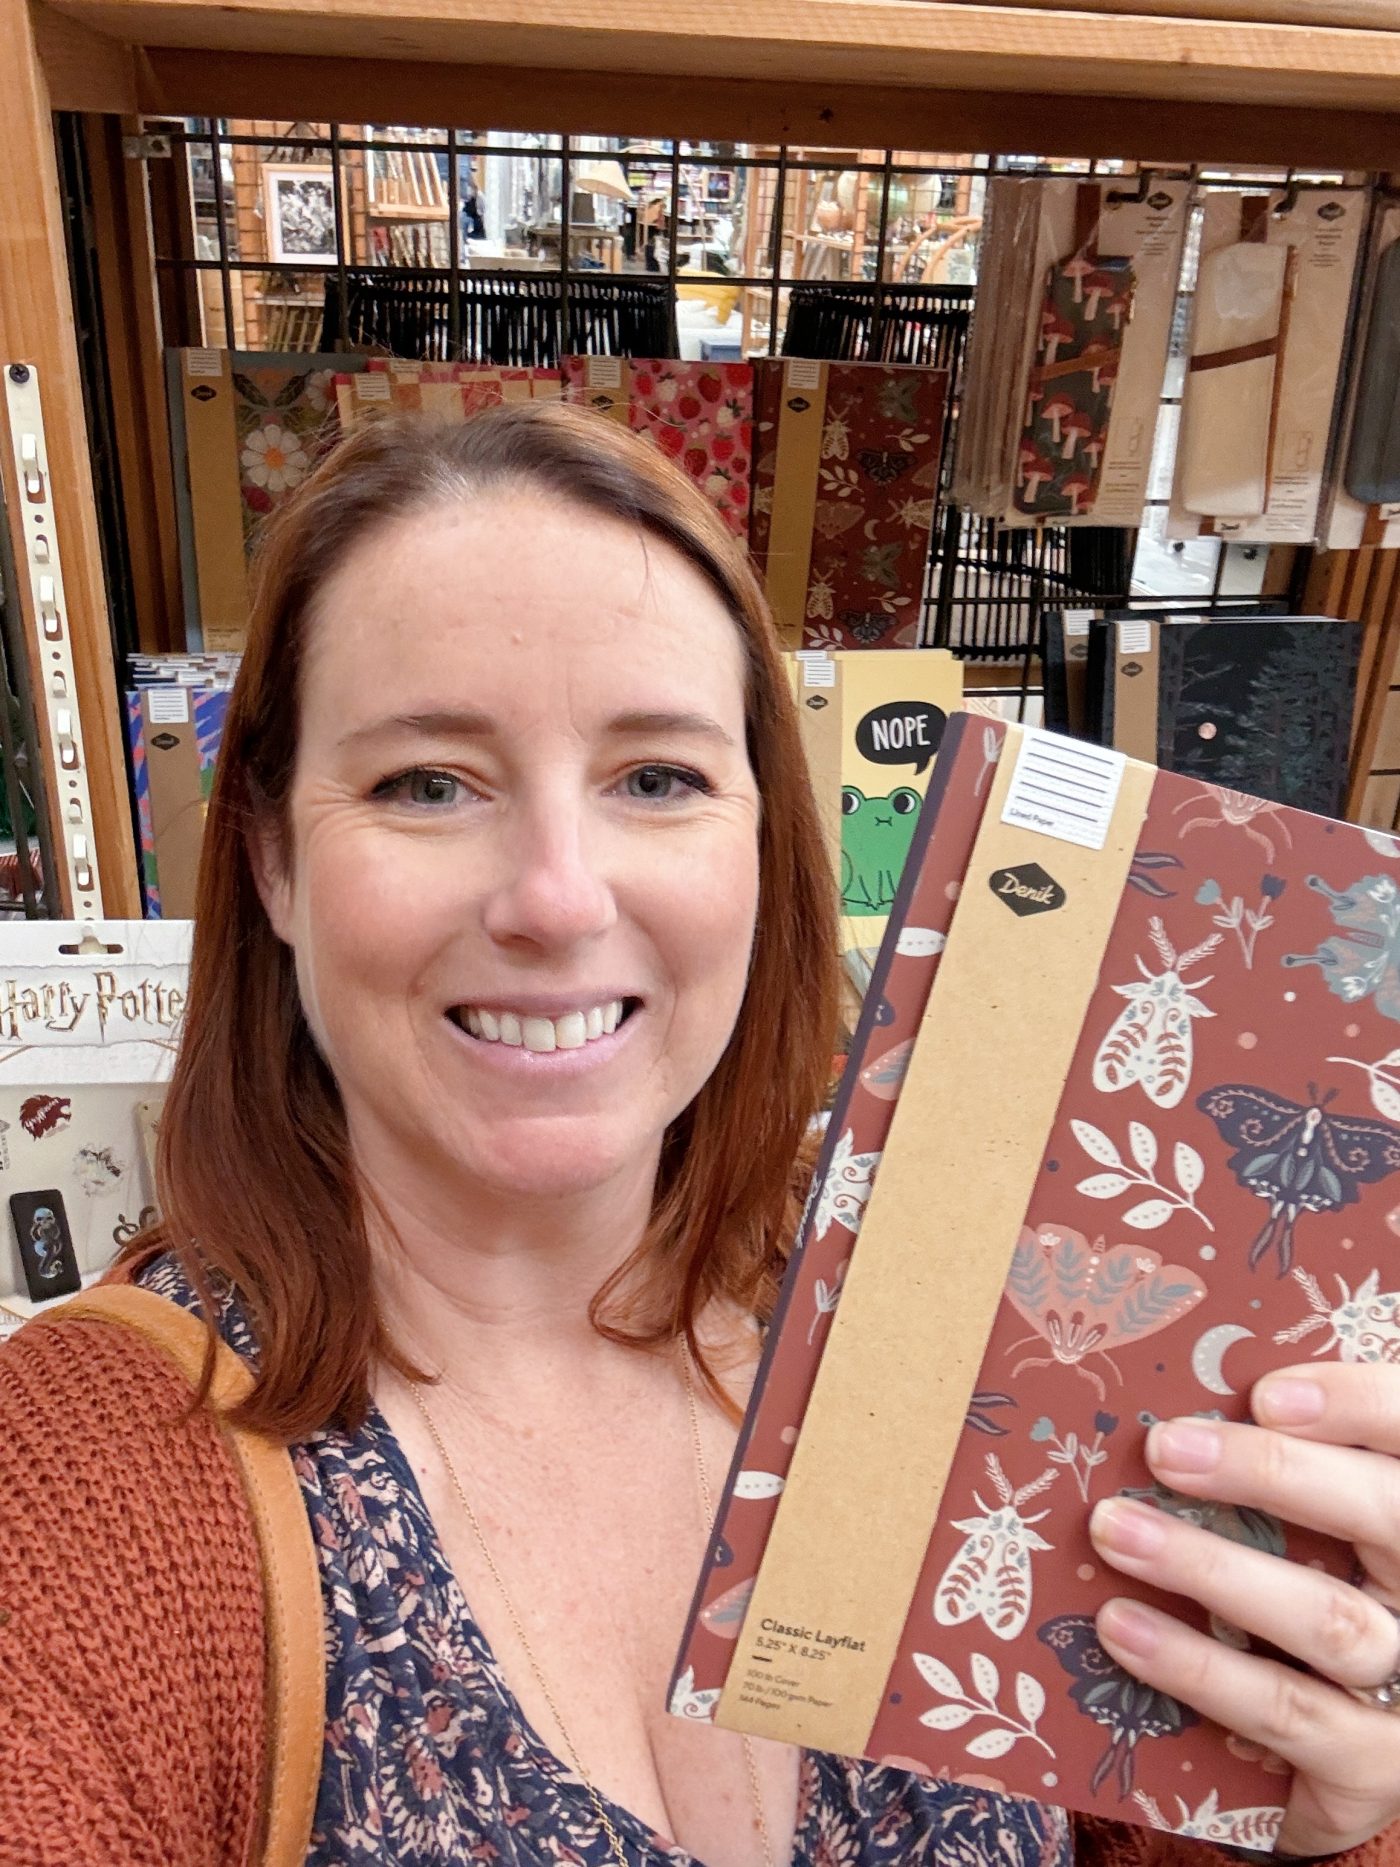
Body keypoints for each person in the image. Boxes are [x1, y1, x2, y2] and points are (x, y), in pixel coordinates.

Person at [2, 403, 1400, 1867]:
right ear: (275, 863)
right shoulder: (71, 1510)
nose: (556, 896)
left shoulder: (973, 1308)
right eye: (429, 783)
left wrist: (1311, 1819)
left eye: (655, 778)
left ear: (760, 837)